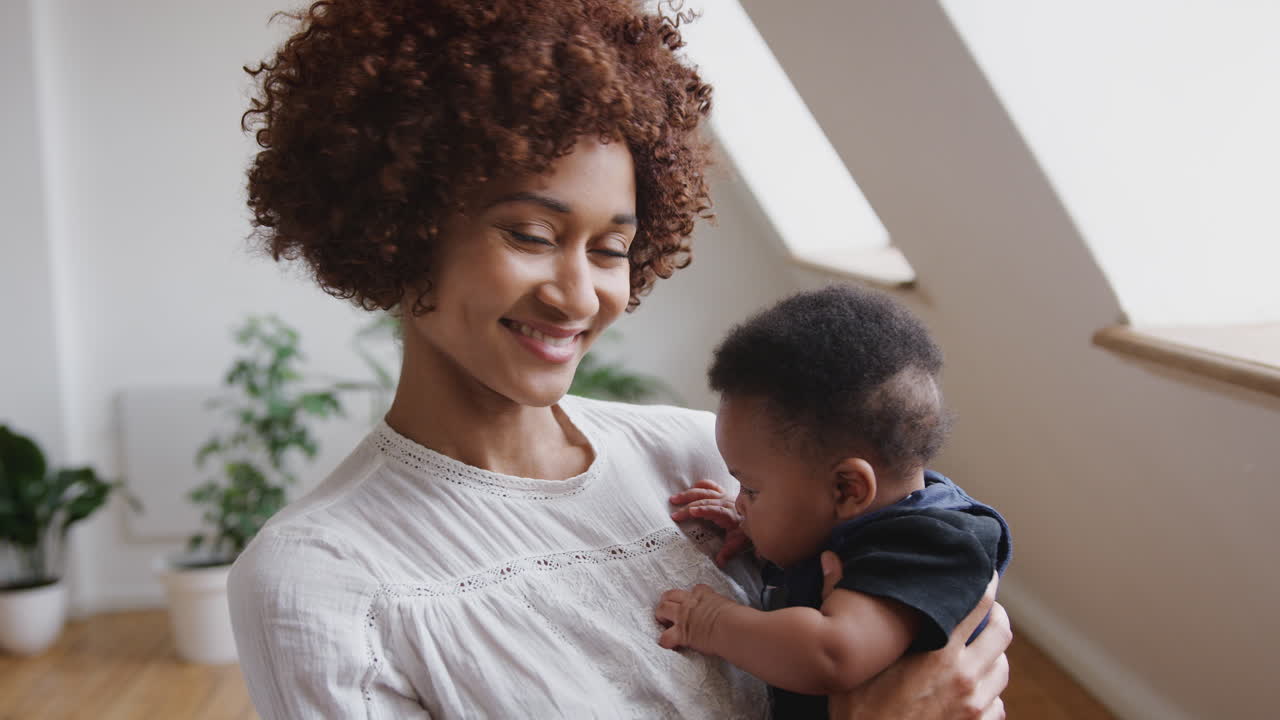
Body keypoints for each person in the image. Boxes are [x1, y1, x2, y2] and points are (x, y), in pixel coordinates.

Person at [226, 1, 1012, 718]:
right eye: (530, 235)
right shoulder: (325, 581)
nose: (577, 296)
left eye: (610, 249)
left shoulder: (708, 460)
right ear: (399, 225)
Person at [653, 285, 1012, 718]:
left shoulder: (931, 543)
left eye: (751, 489)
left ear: (847, 489)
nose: (741, 502)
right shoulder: (865, 520)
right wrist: (751, 525)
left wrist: (710, 622)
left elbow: (831, 653)